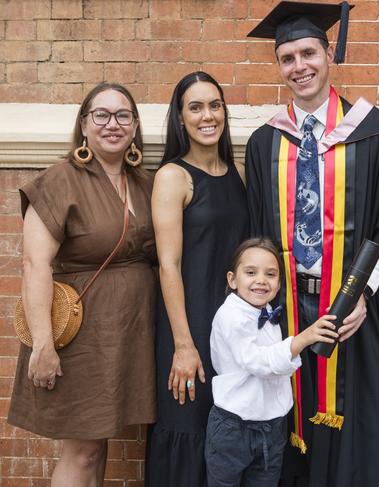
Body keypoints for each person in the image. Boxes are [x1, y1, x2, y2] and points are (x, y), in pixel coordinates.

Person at [245, 2, 379, 486]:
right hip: (285, 307)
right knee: (289, 421)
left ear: (329, 54)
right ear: (279, 67)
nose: (299, 66)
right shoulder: (265, 142)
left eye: (308, 53)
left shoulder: (374, 135)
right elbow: (258, 231)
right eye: (287, 58)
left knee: (358, 426)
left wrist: (362, 295)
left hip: (350, 309)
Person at [8, 83, 156, 485]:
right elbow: (35, 264)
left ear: (135, 125)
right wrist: (43, 345)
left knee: (97, 445)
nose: (113, 124)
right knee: (83, 451)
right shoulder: (60, 180)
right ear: (84, 125)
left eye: (123, 115)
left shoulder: (143, 183)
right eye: (101, 115)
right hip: (80, 338)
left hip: (124, 336)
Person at [145, 71, 249, 487]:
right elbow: (167, 265)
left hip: (233, 329)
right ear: (181, 118)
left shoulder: (239, 172)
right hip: (187, 326)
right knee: (187, 426)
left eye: (215, 105)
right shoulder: (173, 176)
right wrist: (184, 345)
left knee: (226, 435)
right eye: (196, 107)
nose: (208, 116)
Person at [206, 237, 338, 486]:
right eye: (250, 272)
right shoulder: (231, 316)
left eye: (270, 274)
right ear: (232, 280)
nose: (261, 280)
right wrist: (303, 339)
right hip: (233, 428)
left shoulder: (268, 313)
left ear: (279, 284)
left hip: (272, 428)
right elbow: (258, 362)